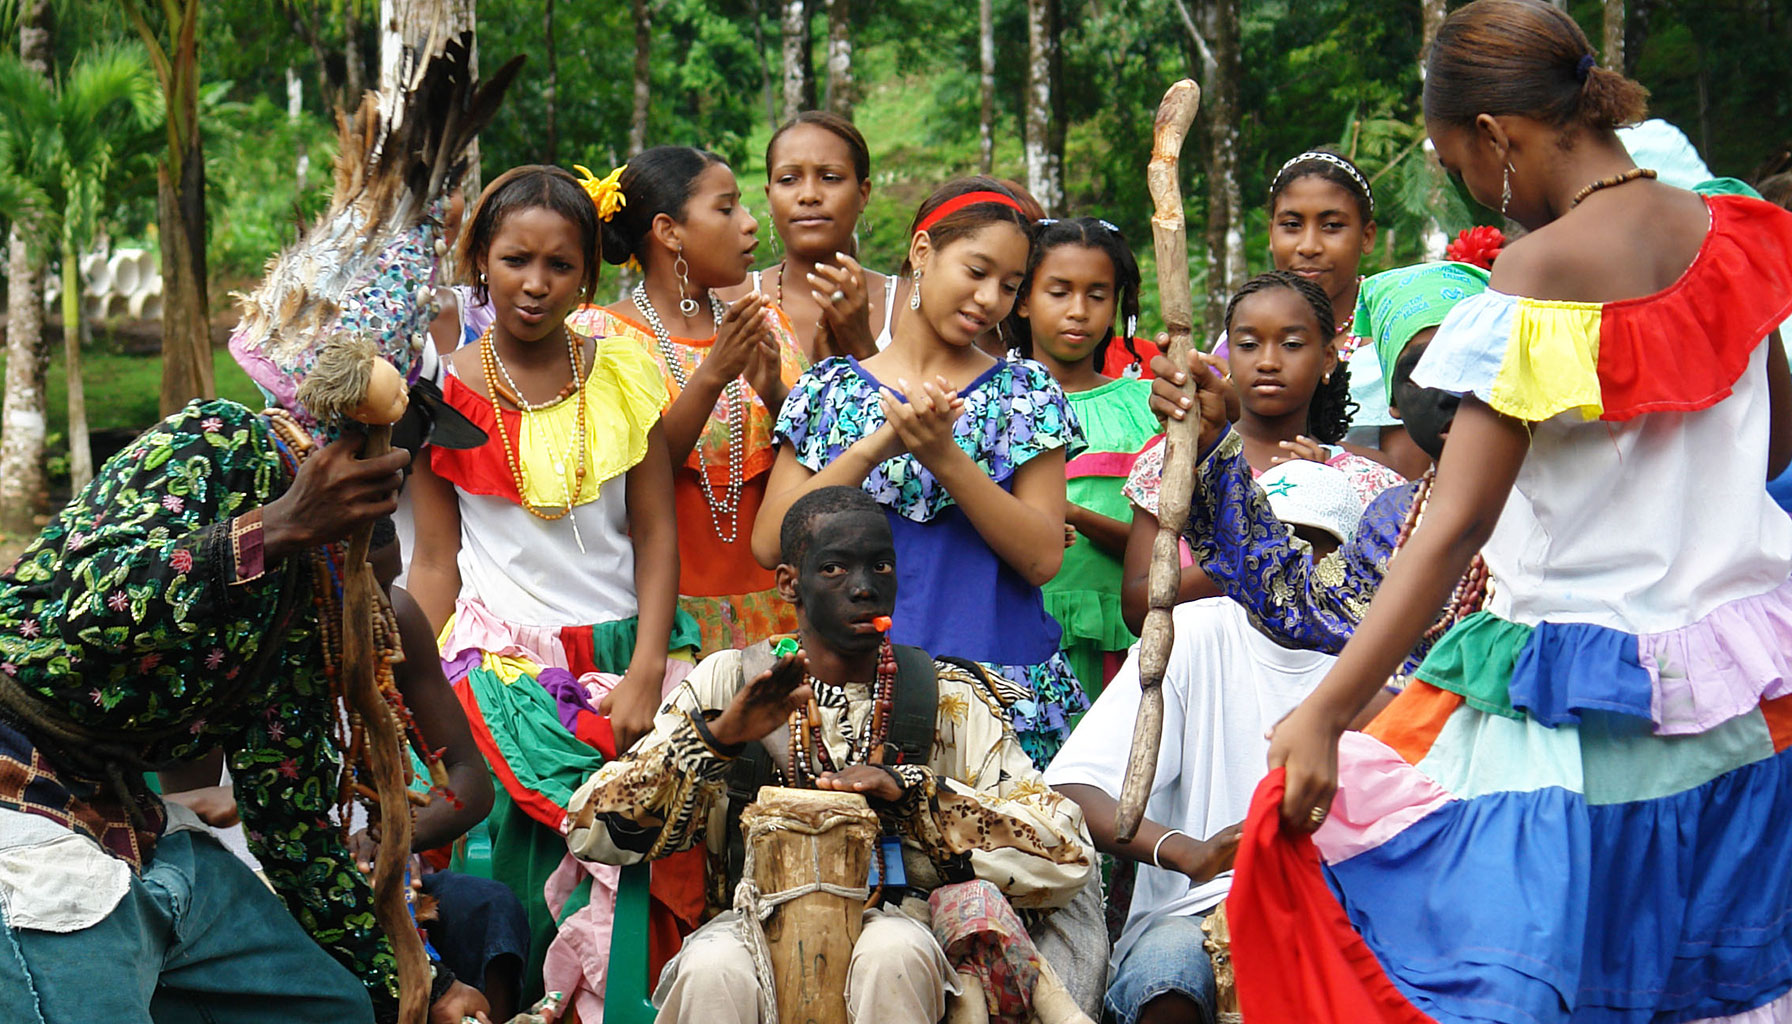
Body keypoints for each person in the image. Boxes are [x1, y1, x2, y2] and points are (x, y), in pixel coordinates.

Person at [1217, 3, 1792, 1020]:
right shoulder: (1734, 230)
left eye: (1456, 164)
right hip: (1751, 694)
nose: (1470, 186)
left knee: (1461, 961)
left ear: (1495, 138)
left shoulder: (1535, 274)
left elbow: (1455, 523)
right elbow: (1775, 446)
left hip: (1582, 708)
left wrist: (1322, 711)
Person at [562, 486, 1100, 1024]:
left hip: (899, 920)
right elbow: (591, 828)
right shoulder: (730, 681)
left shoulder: (947, 697)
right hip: (751, 922)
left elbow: (1068, 852)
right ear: (789, 584)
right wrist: (719, 738)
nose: (865, 587)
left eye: (881, 566)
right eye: (836, 569)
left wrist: (916, 799)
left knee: (894, 956)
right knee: (711, 969)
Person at [405, 164, 696, 1005]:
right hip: (499, 668)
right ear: (480, 265)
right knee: (517, 873)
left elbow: (654, 534)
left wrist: (646, 669)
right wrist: (397, 683)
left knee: (659, 849)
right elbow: (433, 563)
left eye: (560, 266)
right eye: (514, 261)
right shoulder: (441, 392)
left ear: (588, 275)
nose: (535, 285)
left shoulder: (625, 373)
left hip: (629, 656)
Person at [753, 177, 1090, 768]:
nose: (990, 298)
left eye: (1010, 286)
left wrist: (944, 457)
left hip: (1000, 690)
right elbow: (769, 541)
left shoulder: (1027, 394)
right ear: (923, 251)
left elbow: (1041, 558)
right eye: (976, 270)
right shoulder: (830, 390)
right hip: (854, 691)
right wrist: (877, 445)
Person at [1046, 459, 1367, 1024]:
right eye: (1270, 543)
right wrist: (1185, 853)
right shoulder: (1192, 631)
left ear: (1341, 561)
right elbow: (1074, 787)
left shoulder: (1371, 657)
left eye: (1308, 547)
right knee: (1167, 980)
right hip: (1192, 908)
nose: (1282, 566)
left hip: (1339, 905)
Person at [566, 147, 809, 656]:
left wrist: (774, 392)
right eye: (726, 208)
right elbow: (625, 482)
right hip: (662, 623)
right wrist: (712, 376)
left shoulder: (768, 325)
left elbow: (810, 465)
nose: (749, 224)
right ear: (668, 231)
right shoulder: (597, 338)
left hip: (780, 611)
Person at [1119, 270, 1403, 634]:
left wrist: (1319, 504)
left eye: (1292, 344)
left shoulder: (1368, 481)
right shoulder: (1174, 462)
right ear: (1228, 353)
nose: (1268, 361)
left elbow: (1380, 609)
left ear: (1328, 358)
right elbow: (1137, 608)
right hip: (1200, 675)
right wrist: (1266, 535)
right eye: (1249, 344)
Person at [1013, 216, 1157, 697]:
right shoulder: (990, 404)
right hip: (1012, 642)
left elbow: (1162, 548)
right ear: (1024, 300)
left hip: (1122, 642)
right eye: (1059, 292)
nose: (1078, 310)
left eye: (1097, 295)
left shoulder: (1146, 408)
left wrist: (1072, 514)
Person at [720, 111, 890, 360]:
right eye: (788, 180)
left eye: (830, 178)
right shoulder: (729, 303)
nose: (809, 195)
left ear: (863, 193)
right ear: (769, 197)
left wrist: (863, 346)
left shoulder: (906, 304)